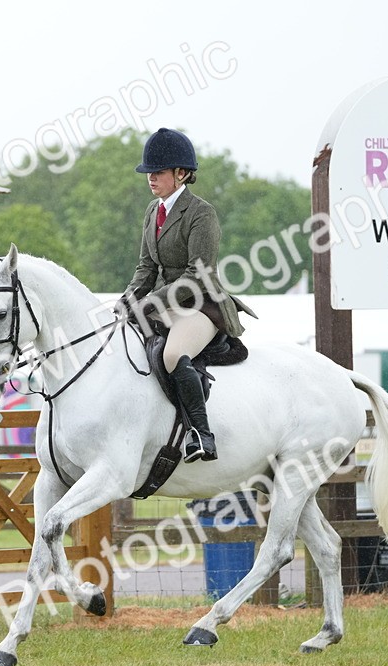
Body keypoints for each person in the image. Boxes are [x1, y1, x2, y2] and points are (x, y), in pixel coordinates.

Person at [116, 128, 255, 463]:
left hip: (201, 305)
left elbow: (198, 274)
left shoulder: (200, 213)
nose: (151, 178)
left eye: (159, 172)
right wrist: (126, 301)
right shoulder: (153, 211)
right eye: (149, 172)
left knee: (172, 354)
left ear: (181, 174)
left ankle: (202, 435)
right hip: (166, 303)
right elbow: (146, 267)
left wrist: (149, 303)